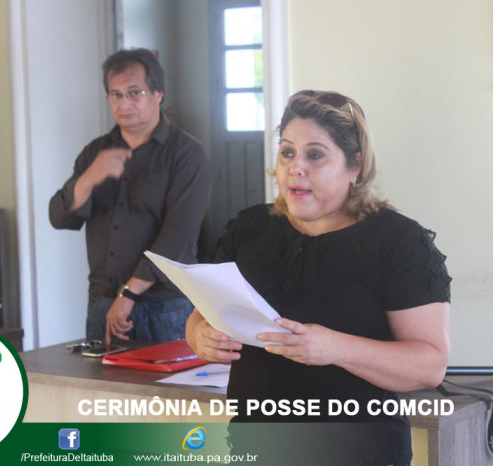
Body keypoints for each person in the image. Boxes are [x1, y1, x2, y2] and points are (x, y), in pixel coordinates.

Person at [185, 90, 451, 465]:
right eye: (287, 152)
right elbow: (200, 315)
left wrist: (336, 349)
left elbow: (430, 365)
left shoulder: (399, 242)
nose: (296, 168)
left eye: (315, 155)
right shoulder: (250, 227)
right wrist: (200, 336)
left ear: (355, 165)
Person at [49, 48, 210, 345]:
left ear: (158, 93)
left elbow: (178, 238)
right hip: (103, 301)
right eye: (116, 95)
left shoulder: (186, 153)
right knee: (99, 378)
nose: (124, 104)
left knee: (170, 379)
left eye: (135, 93)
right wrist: (88, 178)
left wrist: (129, 293)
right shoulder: (95, 152)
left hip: (164, 306)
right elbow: (60, 218)